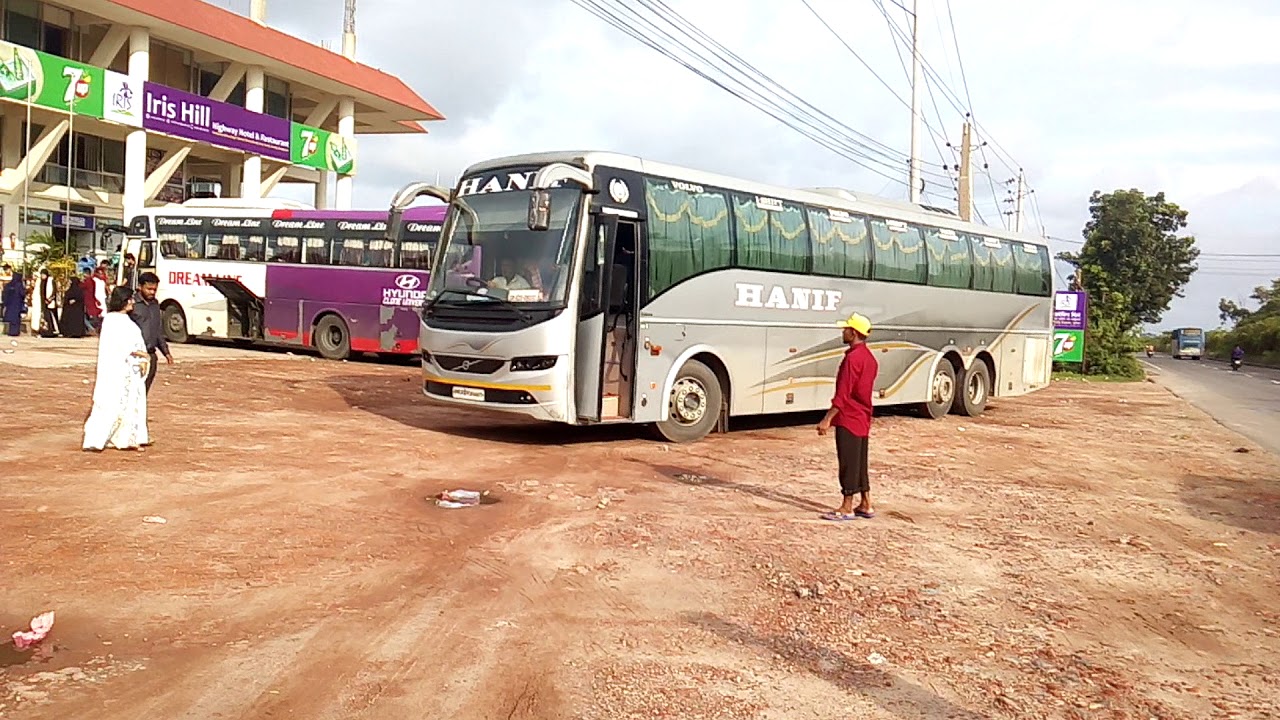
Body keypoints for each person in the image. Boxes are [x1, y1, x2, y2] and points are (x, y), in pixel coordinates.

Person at [817, 312, 879, 521]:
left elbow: (843, 394)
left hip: (849, 417)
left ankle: (847, 506)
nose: (843, 332)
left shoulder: (852, 359)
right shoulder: (870, 359)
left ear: (853, 332)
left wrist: (827, 418)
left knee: (848, 462)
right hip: (863, 417)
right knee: (860, 462)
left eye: (846, 329)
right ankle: (866, 503)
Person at [82, 286, 150, 452]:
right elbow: (121, 346)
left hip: (129, 368)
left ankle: (124, 438)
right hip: (119, 369)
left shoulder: (119, 320)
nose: (133, 302)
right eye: (130, 299)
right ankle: (98, 439)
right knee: (113, 402)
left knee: (128, 403)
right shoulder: (114, 321)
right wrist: (142, 354)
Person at [128, 271, 172, 392]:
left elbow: (157, 329)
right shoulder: (131, 305)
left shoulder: (155, 304)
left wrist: (166, 352)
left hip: (150, 355)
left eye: (154, 290)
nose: (152, 292)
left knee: (144, 391)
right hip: (134, 356)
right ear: (140, 287)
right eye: (149, 289)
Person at [2, 270, 25, 337]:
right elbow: (22, 294)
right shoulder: (19, 285)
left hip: (9, 304)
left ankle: (10, 331)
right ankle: (15, 332)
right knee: (16, 319)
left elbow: (4, 294)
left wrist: (5, 302)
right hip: (17, 304)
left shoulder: (8, 285)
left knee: (11, 318)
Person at [37, 269, 59, 337]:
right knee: (44, 318)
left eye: (43, 274)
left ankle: (52, 331)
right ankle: (44, 332)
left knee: (51, 317)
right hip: (43, 303)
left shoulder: (51, 281)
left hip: (50, 303)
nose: (42, 276)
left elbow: (54, 291)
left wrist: (49, 300)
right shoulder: (41, 282)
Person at [82, 268, 104, 335]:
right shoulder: (93, 281)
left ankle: (91, 329)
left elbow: (81, 287)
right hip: (92, 300)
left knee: (83, 317)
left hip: (87, 301)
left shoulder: (87, 282)